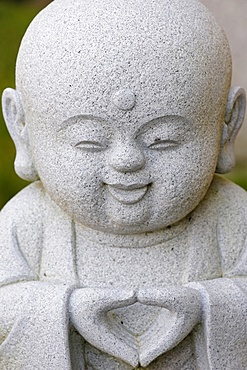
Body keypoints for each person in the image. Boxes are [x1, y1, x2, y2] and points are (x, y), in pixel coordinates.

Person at [1, 0, 247, 368]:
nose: (128, 160)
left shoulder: (232, 216)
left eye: (163, 139)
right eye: (89, 141)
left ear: (227, 124)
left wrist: (204, 306)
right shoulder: (25, 222)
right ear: (22, 128)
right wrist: (66, 311)